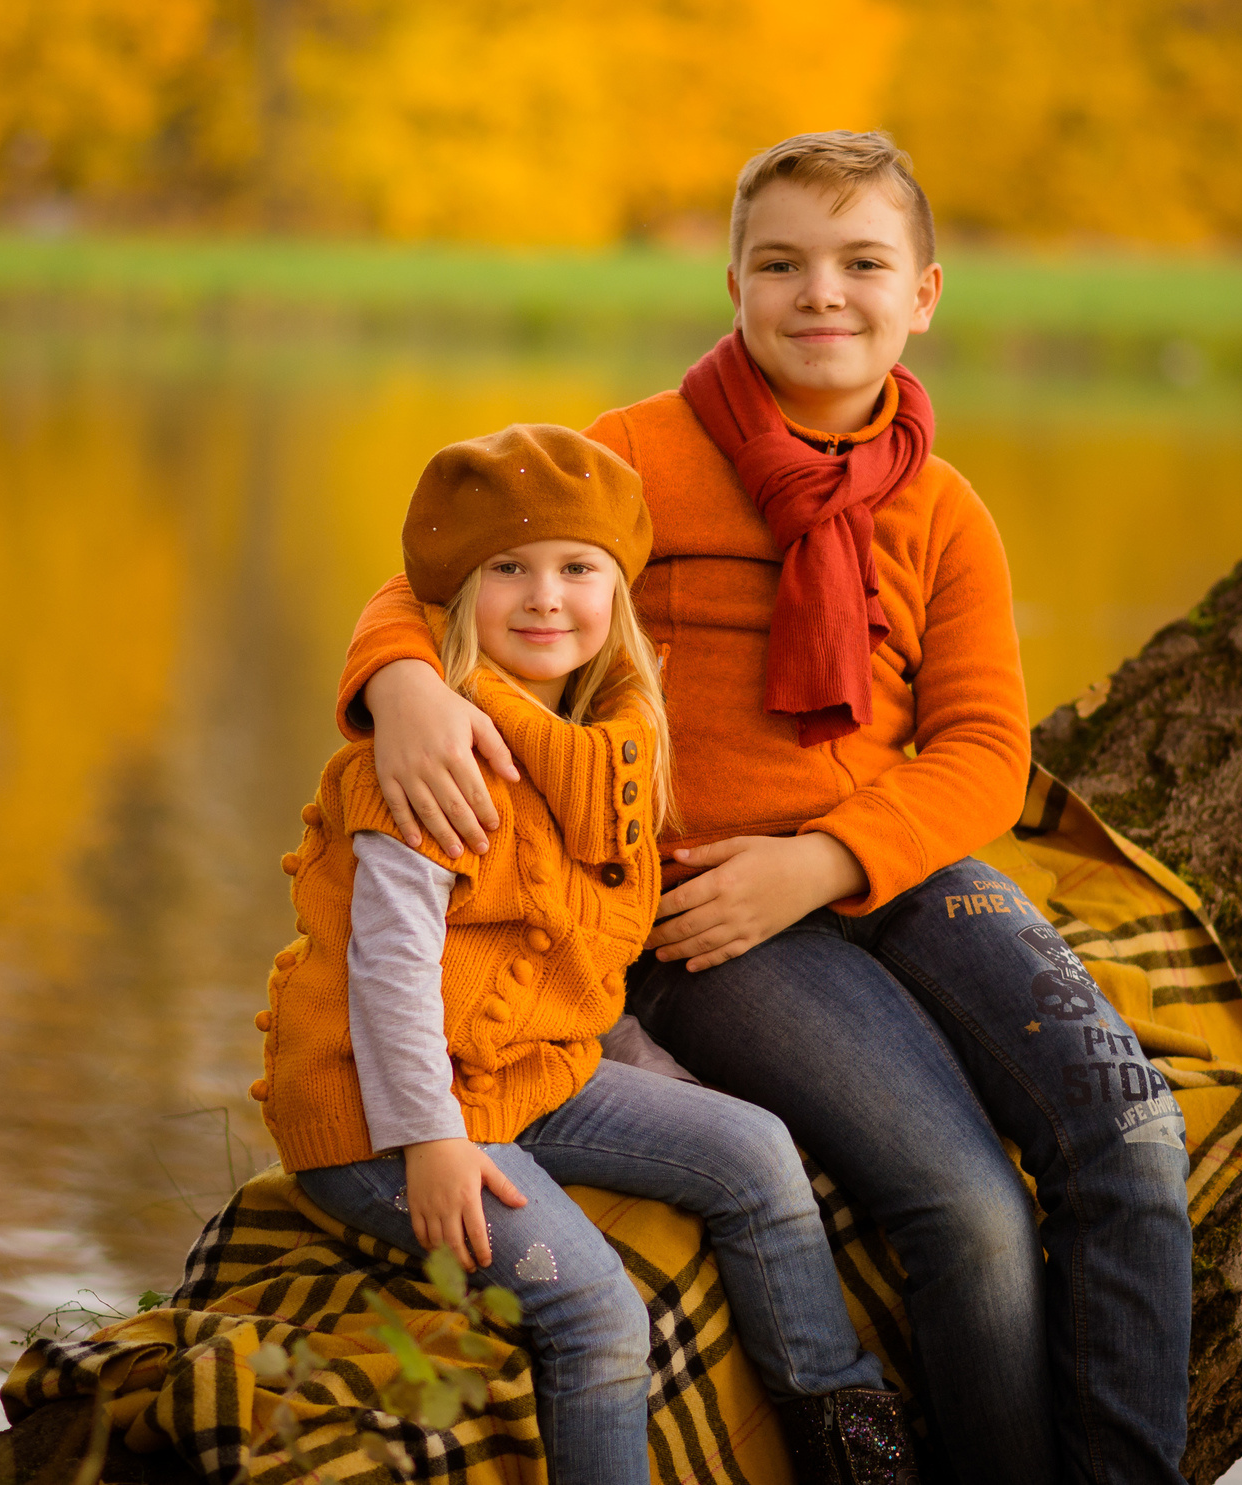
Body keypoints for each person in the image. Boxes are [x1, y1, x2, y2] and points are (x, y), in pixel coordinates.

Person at [338, 135, 1194, 1485]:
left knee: (1132, 1133)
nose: (822, 294)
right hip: (706, 907)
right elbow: (436, 570)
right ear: (734, 281)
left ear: (924, 294)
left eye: (863, 263)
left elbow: (980, 752)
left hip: (885, 862)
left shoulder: (945, 509)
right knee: (964, 1202)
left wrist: (827, 858)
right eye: (783, 263)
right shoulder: (637, 460)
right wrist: (403, 686)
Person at [254, 423, 917, 1485]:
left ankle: (847, 1441)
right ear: (457, 599)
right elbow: (385, 973)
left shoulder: (609, 750)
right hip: (381, 1118)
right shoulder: (432, 759)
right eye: (506, 570)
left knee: (755, 1152)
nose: (544, 595)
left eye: (576, 569)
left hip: (533, 1076)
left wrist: (670, 1104)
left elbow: (582, 970)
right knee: (596, 1313)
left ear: (619, 594)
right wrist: (429, 1140)